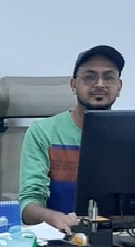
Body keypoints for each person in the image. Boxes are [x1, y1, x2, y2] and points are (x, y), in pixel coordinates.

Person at [19, 45, 125, 232]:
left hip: (121, 235)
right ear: (73, 85)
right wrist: (52, 217)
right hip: (61, 236)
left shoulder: (131, 136)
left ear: (119, 87)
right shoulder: (43, 132)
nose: (100, 84)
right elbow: (28, 207)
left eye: (109, 77)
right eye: (89, 77)